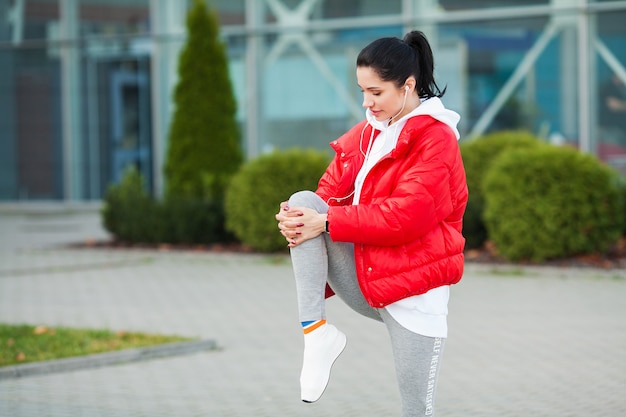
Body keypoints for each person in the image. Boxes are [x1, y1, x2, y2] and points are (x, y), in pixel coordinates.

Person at [275, 30, 468, 417]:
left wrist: (325, 222)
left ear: (407, 86)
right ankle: (316, 334)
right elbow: (326, 196)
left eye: (376, 93)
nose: (367, 103)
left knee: (416, 408)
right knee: (302, 204)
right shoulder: (367, 134)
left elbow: (407, 216)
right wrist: (300, 222)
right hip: (367, 277)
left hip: (414, 293)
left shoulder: (436, 138)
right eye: (363, 91)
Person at [599, 74, 626, 145]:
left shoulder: (620, 88)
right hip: (610, 130)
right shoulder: (609, 87)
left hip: (619, 130)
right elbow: (614, 105)